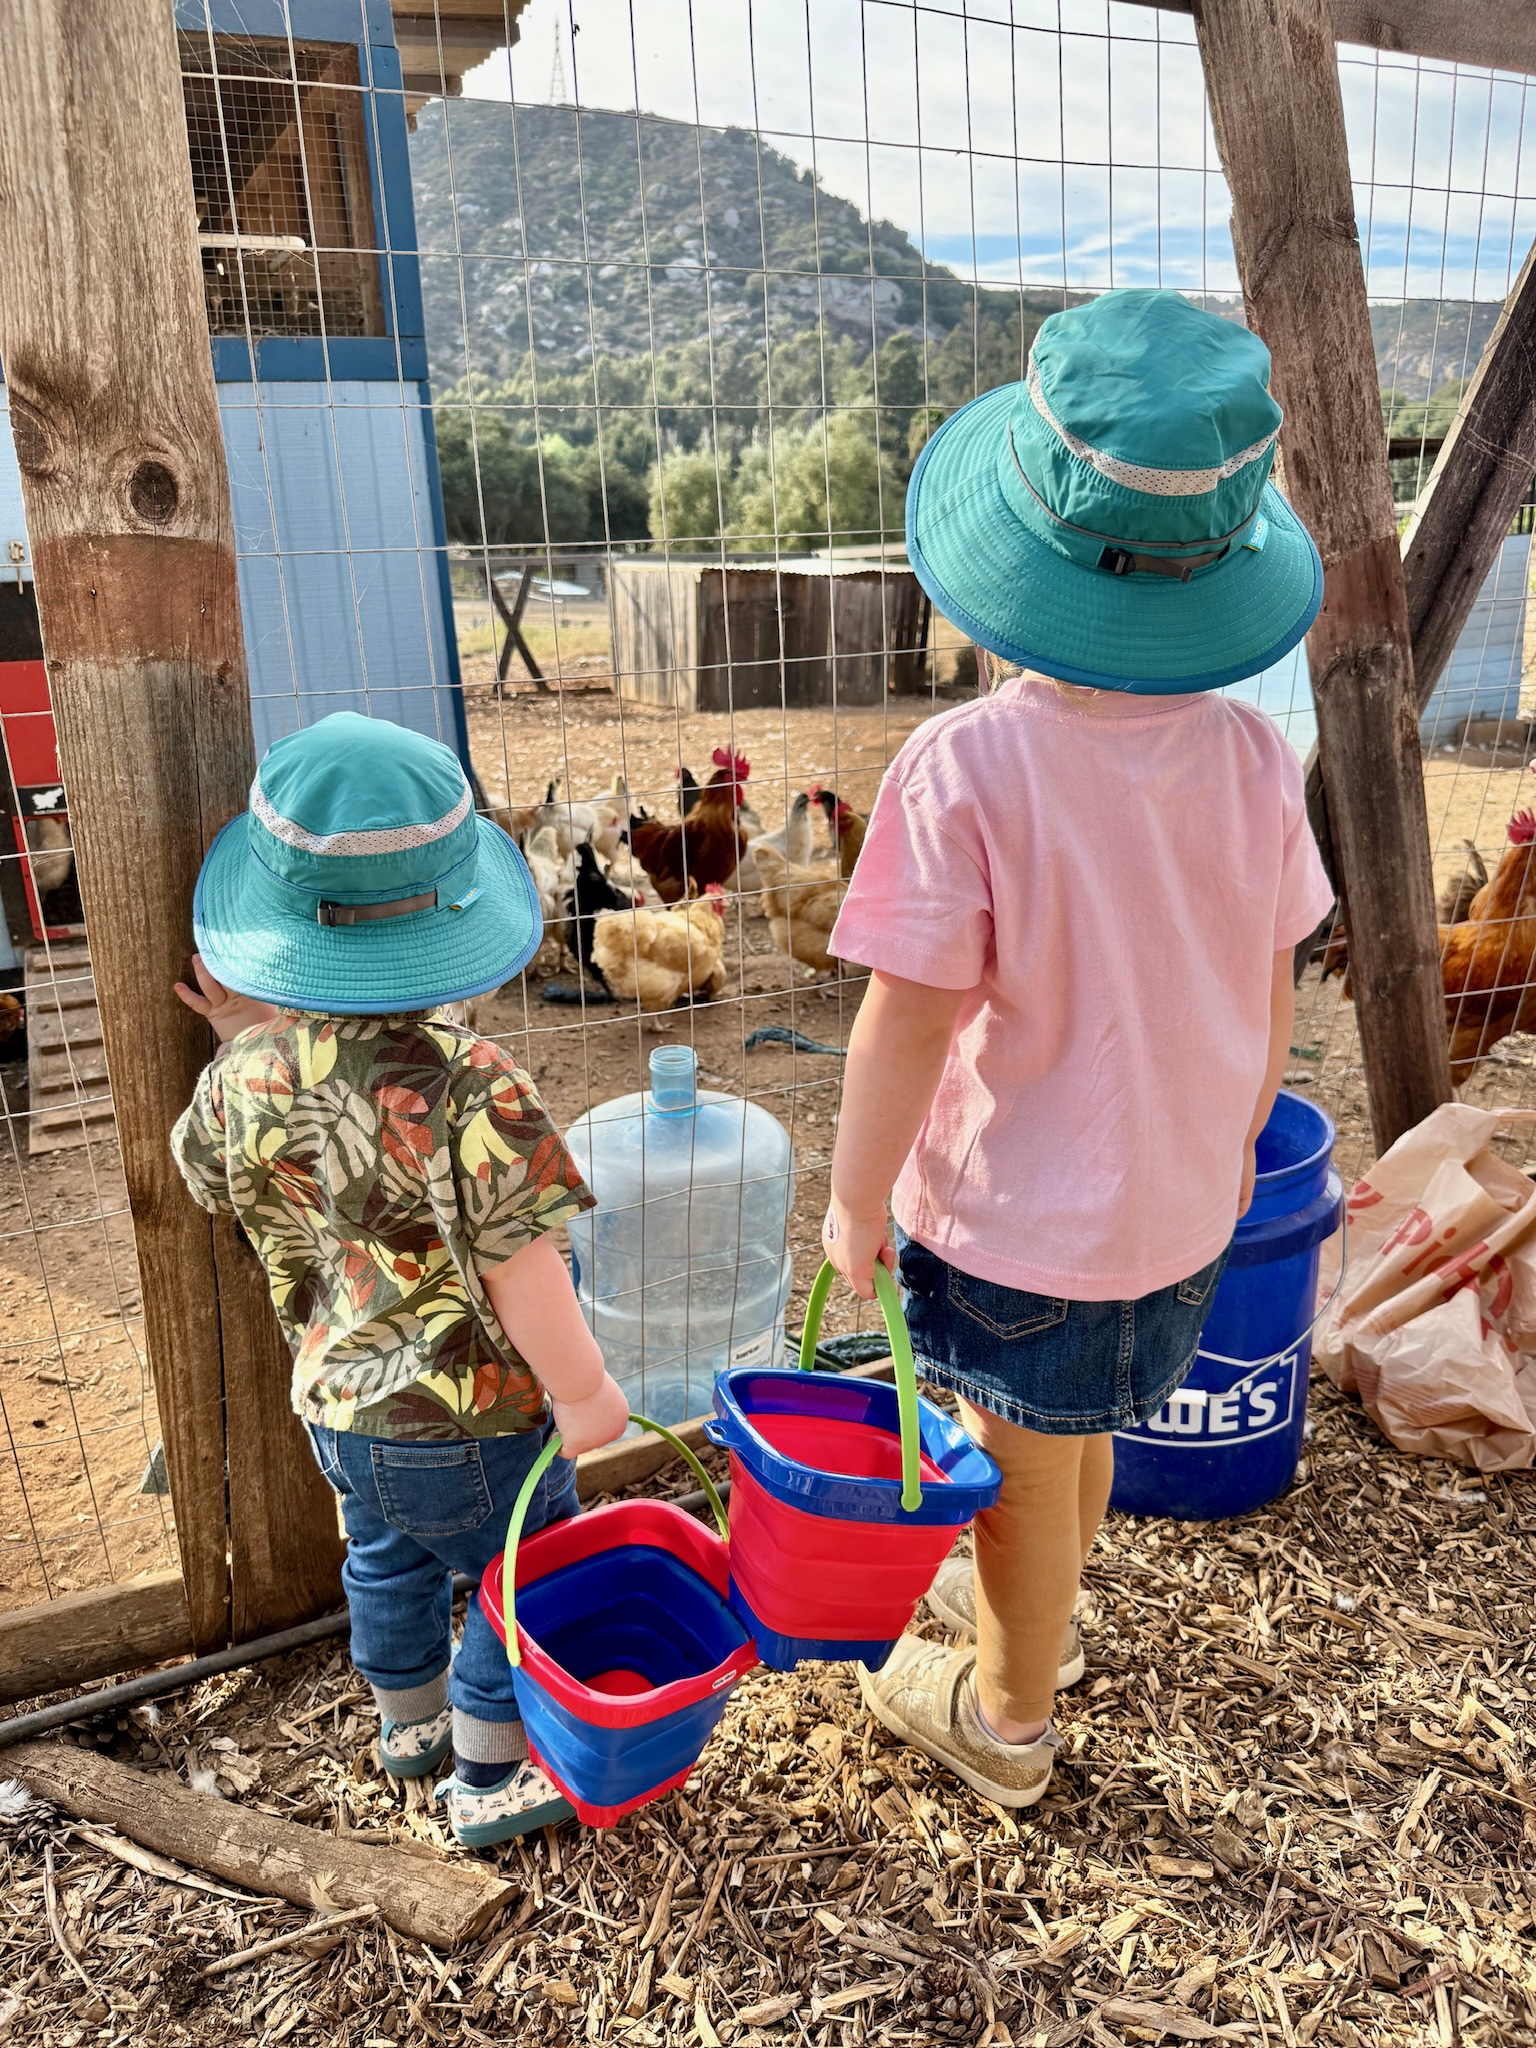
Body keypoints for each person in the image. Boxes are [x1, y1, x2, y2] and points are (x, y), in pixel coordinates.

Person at [822, 289, 1334, 1808]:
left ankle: (1009, 1718)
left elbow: (907, 1016)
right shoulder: (1251, 753)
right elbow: (1272, 975)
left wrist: (855, 1199)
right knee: (1080, 1427)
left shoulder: (965, 766)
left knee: (1022, 1448)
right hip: (1181, 1208)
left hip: (1018, 1226)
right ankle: (1046, 1618)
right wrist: (1234, 1136)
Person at [170, 712, 629, 1847]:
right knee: (530, 1567)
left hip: (338, 1411)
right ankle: (485, 1772)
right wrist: (583, 1391)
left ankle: (406, 1726)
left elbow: (203, 1176)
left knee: (383, 1556)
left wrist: (241, 1037)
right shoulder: (474, 1084)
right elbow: (523, 1263)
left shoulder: (250, 1075)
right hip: (475, 1416)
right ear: (452, 913)